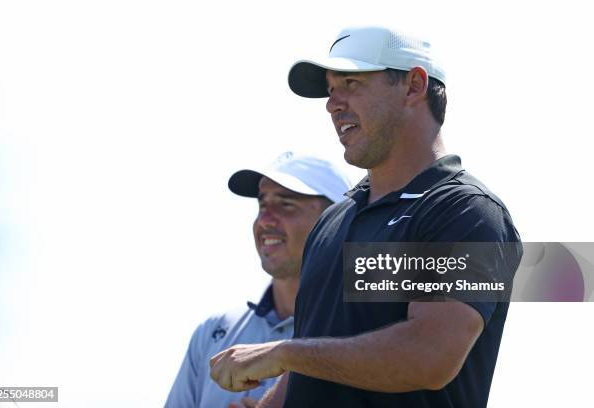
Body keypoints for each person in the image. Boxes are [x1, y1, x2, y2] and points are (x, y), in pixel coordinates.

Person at [209, 26, 523, 408]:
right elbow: (320, 352)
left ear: (413, 86)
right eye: (331, 89)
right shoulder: (332, 220)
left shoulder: (467, 211)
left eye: (351, 82)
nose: (332, 104)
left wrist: (284, 352)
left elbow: (430, 356)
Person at [165, 152, 351, 408]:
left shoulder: (375, 327)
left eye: (286, 204)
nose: (264, 220)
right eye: (262, 205)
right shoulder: (213, 332)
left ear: (337, 219)